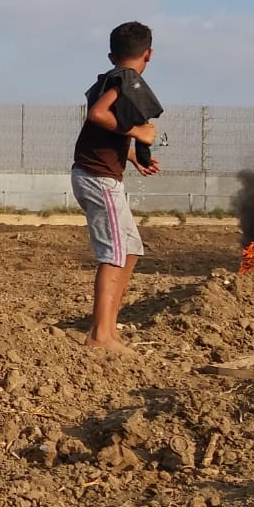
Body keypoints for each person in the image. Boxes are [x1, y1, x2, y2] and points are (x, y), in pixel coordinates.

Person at [72, 21, 161, 350]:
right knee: (114, 254)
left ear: (112, 55)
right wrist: (139, 133)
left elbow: (105, 129)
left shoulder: (114, 78)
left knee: (130, 250)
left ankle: (109, 330)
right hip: (98, 178)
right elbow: (97, 115)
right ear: (148, 54)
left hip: (102, 174)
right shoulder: (124, 79)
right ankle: (100, 335)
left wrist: (132, 156)